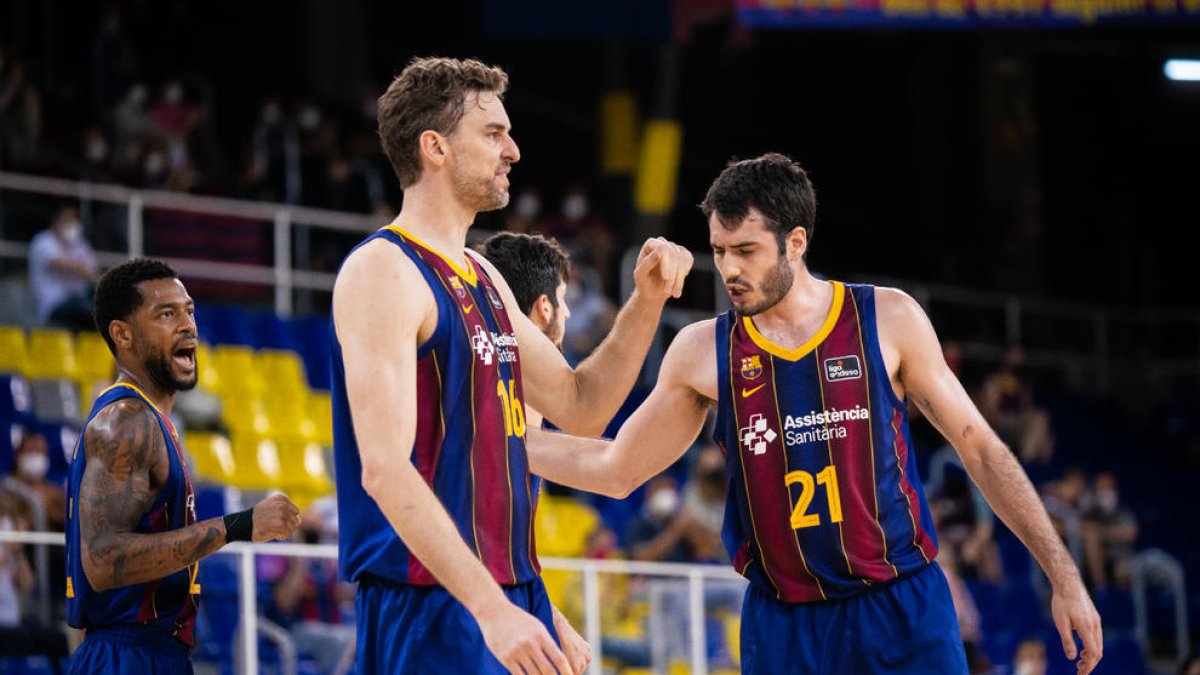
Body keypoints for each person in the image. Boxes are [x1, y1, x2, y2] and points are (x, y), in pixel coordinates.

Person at [527, 152, 1104, 674]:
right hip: (784, 623)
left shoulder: (887, 319)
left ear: (796, 242)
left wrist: (1064, 575)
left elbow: (980, 447)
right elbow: (618, 468)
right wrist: (499, 436)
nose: (729, 269)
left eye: (746, 251)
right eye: (720, 251)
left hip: (900, 604)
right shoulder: (704, 351)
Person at [330, 56, 692, 675]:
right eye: (494, 134)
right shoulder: (382, 270)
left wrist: (648, 299)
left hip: (505, 591)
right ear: (435, 147)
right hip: (429, 605)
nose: (513, 151)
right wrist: (492, 607)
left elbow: (581, 407)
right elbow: (385, 471)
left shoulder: (486, 277)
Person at [65, 257, 303, 674]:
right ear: (122, 334)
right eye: (166, 314)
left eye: (189, 310)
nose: (187, 324)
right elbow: (102, 561)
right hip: (127, 655)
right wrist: (240, 526)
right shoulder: (126, 421)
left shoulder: (152, 421)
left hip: (156, 652)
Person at [28, 205, 99, 331]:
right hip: (54, 305)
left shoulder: (80, 245)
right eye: (68, 219)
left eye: (75, 220)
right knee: (91, 312)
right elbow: (58, 263)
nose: (72, 223)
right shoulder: (43, 241)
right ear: (56, 221)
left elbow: (93, 273)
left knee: (104, 302)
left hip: (79, 299)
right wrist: (82, 271)